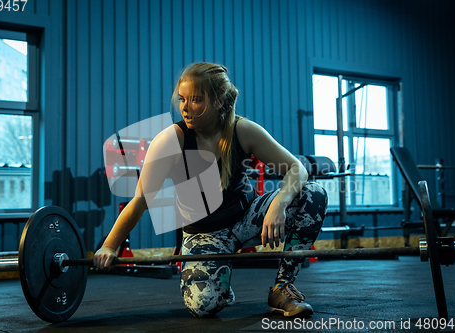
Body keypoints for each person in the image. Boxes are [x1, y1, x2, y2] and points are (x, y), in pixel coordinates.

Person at [94, 62, 328, 318]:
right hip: (205, 234)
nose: (185, 107)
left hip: (247, 219)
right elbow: (140, 201)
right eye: (182, 99)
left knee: (312, 193)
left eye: (196, 100)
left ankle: (282, 288)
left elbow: (297, 170)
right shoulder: (171, 140)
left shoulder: (243, 130)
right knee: (204, 306)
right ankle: (220, 285)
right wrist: (109, 246)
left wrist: (279, 204)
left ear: (219, 102)